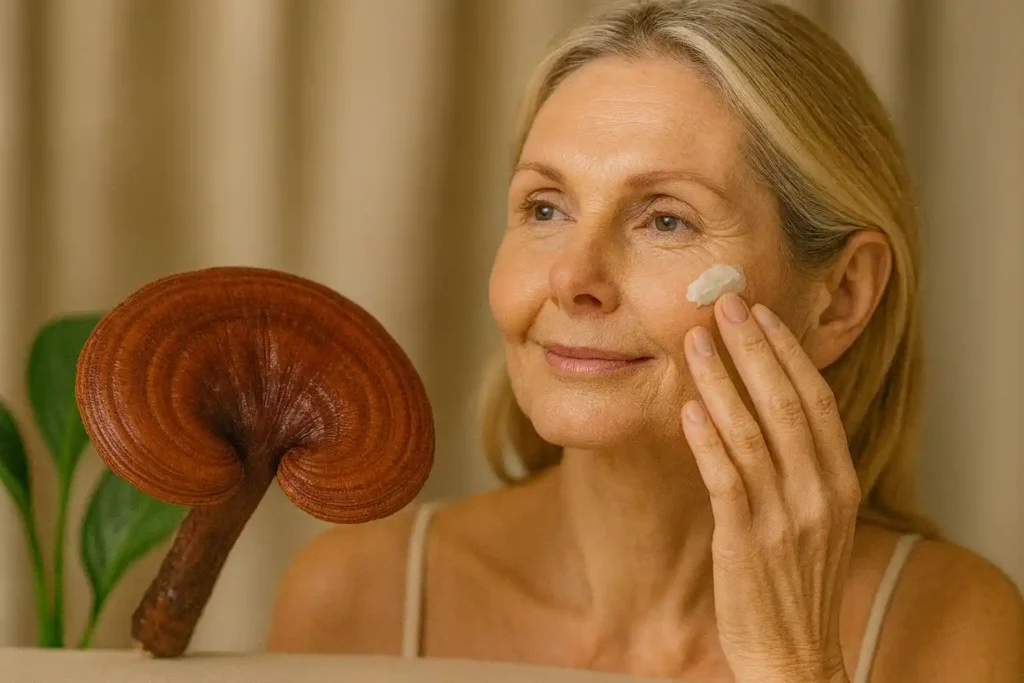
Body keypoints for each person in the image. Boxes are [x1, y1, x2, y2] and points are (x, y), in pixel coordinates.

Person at [265, 1, 1024, 681]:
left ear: (840, 297)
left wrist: (793, 664)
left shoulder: (952, 627)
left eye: (666, 219)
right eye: (545, 208)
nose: (573, 276)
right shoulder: (355, 596)